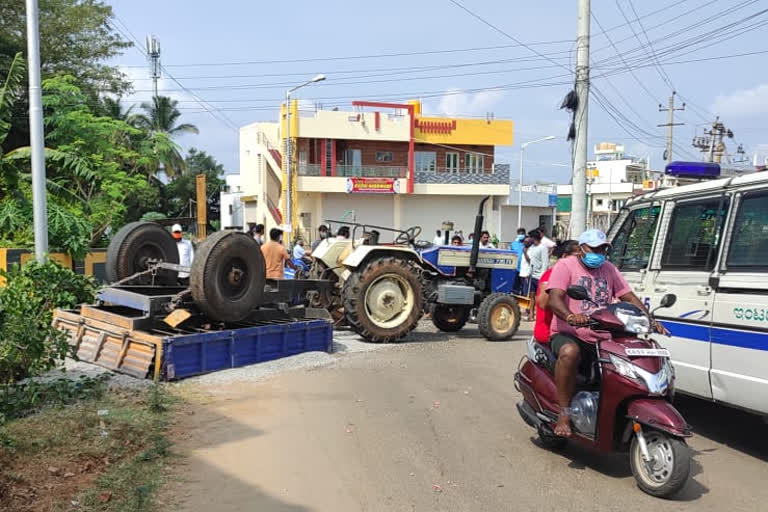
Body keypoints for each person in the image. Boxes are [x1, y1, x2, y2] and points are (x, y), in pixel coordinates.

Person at [546, 229, 669, 437]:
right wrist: (570, 317)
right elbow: (554, 299)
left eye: (603, 249)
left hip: (602, 335)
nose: (599, 253)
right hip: (569, 333)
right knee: (569, 352)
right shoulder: (565, 266)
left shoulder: (609, 269)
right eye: (595, 249)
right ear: (581, 250)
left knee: (630, 354)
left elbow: (628, 297)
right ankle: (564, 413)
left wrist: (649, 319)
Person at [533, 240, 579, 343]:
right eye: (577, 257)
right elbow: (543, 303)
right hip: (550, 334)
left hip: (573, 333)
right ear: (564, 256)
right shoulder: (551, 274)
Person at [527, 229, 549, 295]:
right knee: (531, 295)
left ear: (533, 238)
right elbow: (532, 262)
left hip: (539, 277)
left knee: (538, 295)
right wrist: (529, 273)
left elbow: (545, 263)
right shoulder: (532, 247)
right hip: (532, 276)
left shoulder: (543, 248)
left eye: (530, 237)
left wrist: (542, 277)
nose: (529, 239)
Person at [511, 228, 526, 293]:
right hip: (516, 267)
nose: (521, 235)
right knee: (515, 285)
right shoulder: (513, 244)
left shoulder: (526, 243)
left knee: (524, 286)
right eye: (519, 234)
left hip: (524, 268)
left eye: (522, 234)